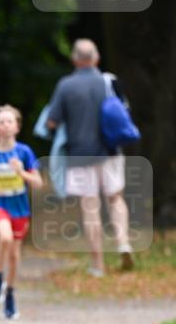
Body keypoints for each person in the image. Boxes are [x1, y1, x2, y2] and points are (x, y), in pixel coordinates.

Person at [46, 39, 134, 276]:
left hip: (79, 154)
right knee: (115, 199)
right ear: (96, 58)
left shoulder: (66, 85)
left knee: (90, 207)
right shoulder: (110, 81)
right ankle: (123, 243)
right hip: (110, 151)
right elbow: (124, 113)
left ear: (74, 60)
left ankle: (98, 264)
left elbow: (52, 122)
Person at [0, 104, 42, 319]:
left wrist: (21, 172)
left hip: (20, 209)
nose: (5, 125)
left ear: (17, 127)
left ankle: (10, 293)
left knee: (14, 255)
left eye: (9, 121)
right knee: (5, 237)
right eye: (1, 122)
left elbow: (38, 182)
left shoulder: (24, 152)